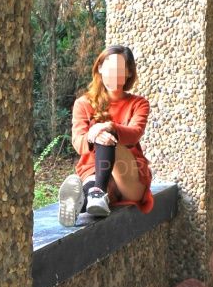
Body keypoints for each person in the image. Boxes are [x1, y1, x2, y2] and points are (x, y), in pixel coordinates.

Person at [58, 44, 154, 227]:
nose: (114, 73)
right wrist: (91, 135)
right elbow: (78, 142)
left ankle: (96, 193)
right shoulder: (83, 103)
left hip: (129, 177)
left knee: (107, 134)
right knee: (92, 188)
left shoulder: (138, 103)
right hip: (95, 172)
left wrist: (107, 127)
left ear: (128, 73)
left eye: (120, 69)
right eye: (109, 67)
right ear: (100, 68)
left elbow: (134, 134)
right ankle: (83, 201)